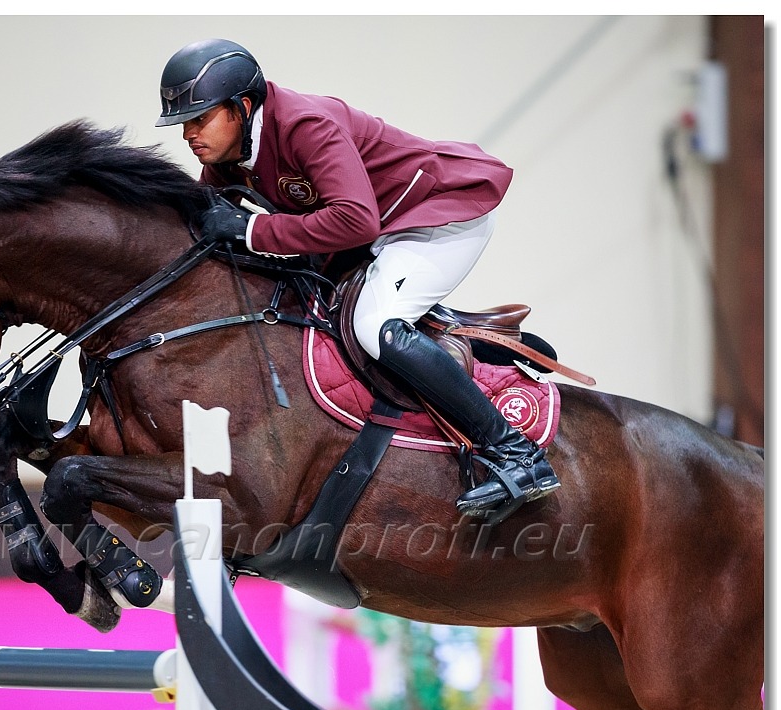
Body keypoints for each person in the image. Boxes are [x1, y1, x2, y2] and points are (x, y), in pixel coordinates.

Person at [155, 38, 560, 519]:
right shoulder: (228, 155)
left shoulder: (306, 126)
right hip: (377, 234)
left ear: (241, 108)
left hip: (437, 215)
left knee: (375, 324)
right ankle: (480, 359)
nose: (188, 136)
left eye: (198, 119)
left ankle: (515, 453)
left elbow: (355, 220)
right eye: (185, 124)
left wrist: (252, 229)